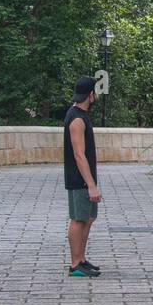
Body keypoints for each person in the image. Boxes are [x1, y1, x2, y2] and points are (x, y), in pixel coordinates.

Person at [63, 76, 102, 277]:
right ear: (90, 94)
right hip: (79, 179)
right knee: (78, 219)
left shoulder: (82, 114)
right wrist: (91, 185)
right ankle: (75, 263)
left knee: (88, 217)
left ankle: (82, 259)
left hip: (85, 178)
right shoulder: (76, 118)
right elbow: (79, 154)